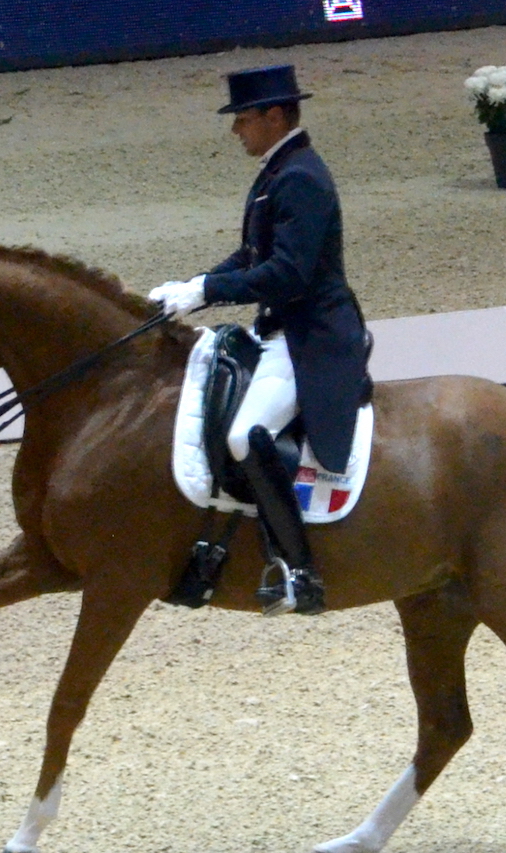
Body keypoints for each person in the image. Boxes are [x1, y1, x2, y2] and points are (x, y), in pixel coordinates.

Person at [150, 64, 371, 616]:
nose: (236, 131)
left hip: (312, 334)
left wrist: (207, 289)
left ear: (275, 116)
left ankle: (300, 571)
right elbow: (252, 258)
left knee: (249, 436)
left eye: (243, 119)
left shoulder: (300, 177)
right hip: (279, 329)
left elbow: (288, 273)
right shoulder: (277, 171)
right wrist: (193, 286)